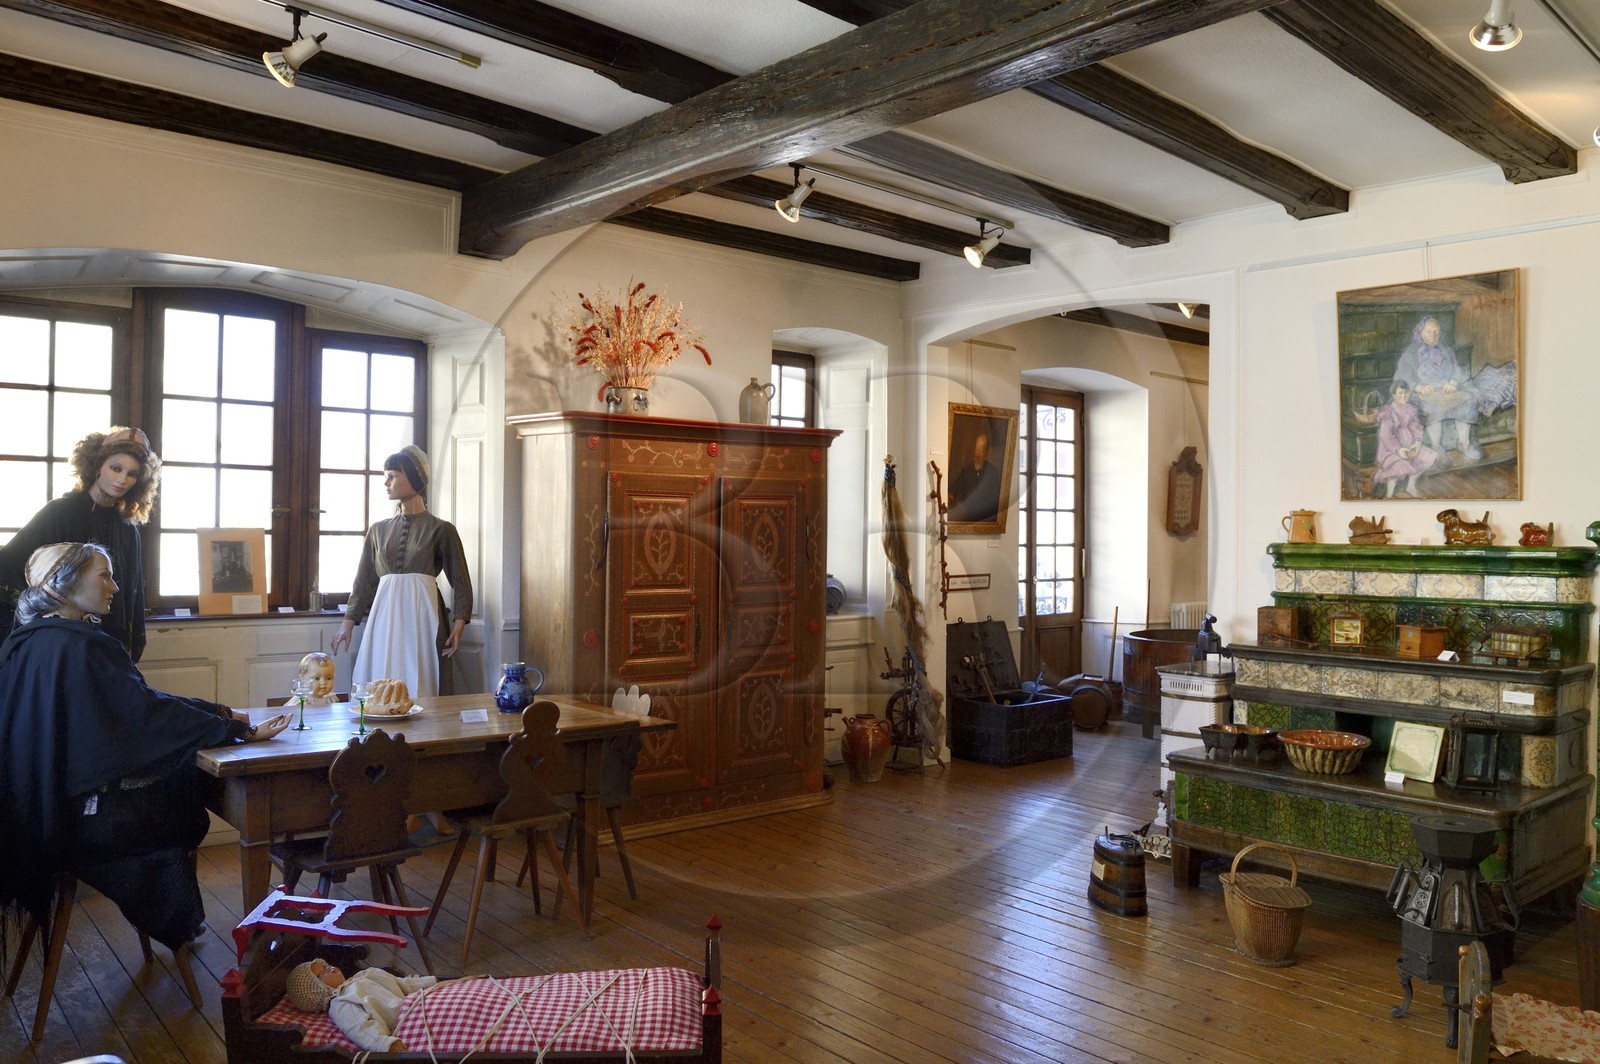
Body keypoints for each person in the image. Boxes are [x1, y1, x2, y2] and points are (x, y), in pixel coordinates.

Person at [0, 542, 290, 954]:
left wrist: (223, 715)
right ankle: (181, 920)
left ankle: (182, 920)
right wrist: (234, 731)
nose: (115, 587)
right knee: (183, 801)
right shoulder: (83, 645)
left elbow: (141, 703)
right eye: (104, 574)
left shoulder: (24, 642)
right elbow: (147, 714)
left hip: (38, 818)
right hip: (82, 829)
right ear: (64, 584)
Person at [0, 426, 159, 660]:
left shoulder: (127, 529)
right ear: (97, 465)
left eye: (132, 474)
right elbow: (8, 567)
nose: (122, 480)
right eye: (115, 468)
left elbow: (131, 593)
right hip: (59, 642)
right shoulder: (59, 513)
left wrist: (130, 644)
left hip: (108, 642)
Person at [331, 446, 472, 699]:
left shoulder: (442, 529)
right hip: (383, 616)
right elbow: (363, 581)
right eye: (386, 476)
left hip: (424, 614)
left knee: (422, 674)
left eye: (393, 475)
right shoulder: (377, 530)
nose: (387, 483)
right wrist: (347, 624)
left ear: (415, 479)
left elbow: (461, 581)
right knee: (379, 676)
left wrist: (459, 625)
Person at [286, 956, 436, 1052]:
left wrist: (427, 983)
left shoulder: (363, 975)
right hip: (411, 1019)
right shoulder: (341, 1002)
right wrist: (383, 1044)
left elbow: (401, 984)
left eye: (326, 966)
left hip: (423, 1000)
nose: (330, 969)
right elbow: (359, 1027)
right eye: (321, 974)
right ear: (316, 990)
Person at [1392, 316, 1483, 462]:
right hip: (1423, 393)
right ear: (1420, 333)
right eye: (1428, 332)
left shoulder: (1446, 350)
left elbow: (1456, 369)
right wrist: (1418, 387)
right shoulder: (1410, 353)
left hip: (1446, 391)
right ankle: (1436, 447)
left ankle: (1464, 444)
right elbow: (1400, 377)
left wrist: (1453, 381)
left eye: (1436, 332)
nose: (1433, 335)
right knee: (1431, 407)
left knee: (1469, 400)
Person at [1371, 379, 1440, 498]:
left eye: (1406, 393)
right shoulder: (1388, 412)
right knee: (1397, 467)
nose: (1404, 396)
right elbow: (1385, 436)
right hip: (1391, 449)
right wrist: (1399, 450)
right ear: (1394, 395)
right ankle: (1389, 495)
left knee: (1427, 456)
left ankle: (1411, 486)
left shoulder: (1410, 409)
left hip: (1409, 444)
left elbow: (1417, 427)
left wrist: (1417, 444)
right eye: (1400, 394)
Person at [949, 425, 1002, 522]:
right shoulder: (967, 470)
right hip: (968, 516)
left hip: (986, 517)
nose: (977, 454)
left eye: (981, 450)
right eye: (976, 449)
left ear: (986, 452)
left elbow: (995, 497)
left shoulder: (992, 470)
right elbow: (955, 489)